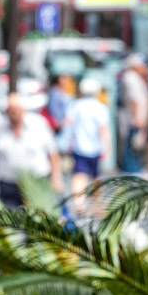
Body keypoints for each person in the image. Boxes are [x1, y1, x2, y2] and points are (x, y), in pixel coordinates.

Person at [0, 93, 63, 209]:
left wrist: (56, 177)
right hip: (8, 186)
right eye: (11, 110)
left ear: (23, 110)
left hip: (36, 185)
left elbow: (53, 153)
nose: (14, 114)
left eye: (17, 110)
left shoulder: (38, 124)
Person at [64, 78, 111, 218]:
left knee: (79, 177)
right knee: (96, 177)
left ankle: (79, 206)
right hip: (95, 148)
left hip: (79, 147)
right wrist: (106, 147)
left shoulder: (75, 105)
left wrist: (67, 143)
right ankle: (96, 206)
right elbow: (103, 130)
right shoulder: (101, 107)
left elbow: (68, 125)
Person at [119, 53, 148, 175]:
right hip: (133, 119)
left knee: (136, 145)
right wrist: (137, 117)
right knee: (132, 146)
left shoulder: (136, 77)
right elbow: (134, 100)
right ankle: (131, 171)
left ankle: (134, 169)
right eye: (142, 65)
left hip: (136, 118)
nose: (145, 68)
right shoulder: (130, 77)